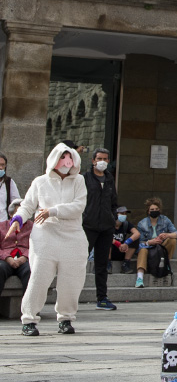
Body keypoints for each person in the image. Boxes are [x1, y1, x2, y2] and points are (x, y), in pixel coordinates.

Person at [7, 143, 87, 336]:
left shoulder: (79, 181)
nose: (66, 162)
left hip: (73, 235)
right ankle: (29, 319)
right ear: (54, 159)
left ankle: (66, 318)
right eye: (63, 158)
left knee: (72, 279)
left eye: (69, 158)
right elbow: (27, 205)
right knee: (39, 277)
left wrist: (53, 211)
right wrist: (18, 219)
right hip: (45, 235)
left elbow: (78, 206)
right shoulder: (40, 182)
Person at [82, 148, 118, 311]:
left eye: (105, 159)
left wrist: (113, 217)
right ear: (93, 161)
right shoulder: (85, 178)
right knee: (79, 261)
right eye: (99, 158)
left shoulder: (109, 179)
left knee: (102, 264)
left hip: (106, 227)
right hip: (88, 226)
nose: (102, 161)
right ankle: (70, 297)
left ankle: (102, 298)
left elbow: (113, 201)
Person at [134, 197, 177, 287]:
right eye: (152, 209)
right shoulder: (142, 223)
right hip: (148, 248)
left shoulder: (165, 220)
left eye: (156, 209)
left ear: (159, 210)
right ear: (148, 211)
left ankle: (166, 263)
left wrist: (167, 235)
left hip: (161, 247)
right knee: (142, 250)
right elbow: (140, 243)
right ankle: (140, 278)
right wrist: (149, 242)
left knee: (172, 240)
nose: (154, 211)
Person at [0, 198, 32, 292]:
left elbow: (37, 246)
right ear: (11, 214)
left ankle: (27, 301)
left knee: (30, 271)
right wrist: (7, 257)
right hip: (5, 259)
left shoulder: (33, 227)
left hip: (25, 259)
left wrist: (25, 257)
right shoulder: (1, 226)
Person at [108, 206, 140, 273]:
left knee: (135, 239)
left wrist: (126, 243)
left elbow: (137, 233)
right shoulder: (108, 224)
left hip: (122, 250)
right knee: (106, 241)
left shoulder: (126, 224)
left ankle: (126, 264)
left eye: (125, 213)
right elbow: (104, 236)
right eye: (122, 213)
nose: (124, 215)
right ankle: (107, 264)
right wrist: (118, 243)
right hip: (110, 250)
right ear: (115, 214)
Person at [0, 152, 21, 223]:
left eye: (3, 165)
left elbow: (16, 202)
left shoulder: (9, 182)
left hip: (3, 222)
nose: (1, 167)